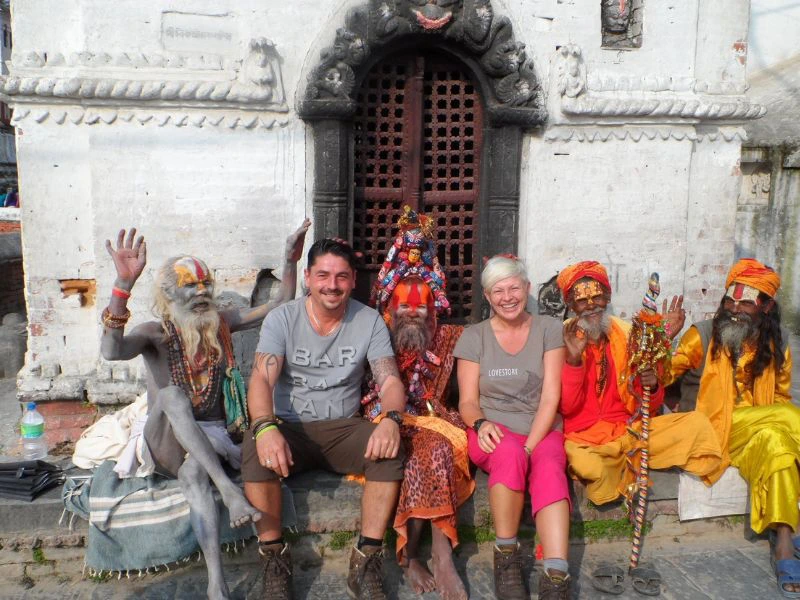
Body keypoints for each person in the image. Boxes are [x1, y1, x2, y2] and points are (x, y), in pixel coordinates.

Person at [100, 219, 310, 600]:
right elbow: (111, 351)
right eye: (188, 286)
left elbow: (281, 302)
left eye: (204, 285)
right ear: (169, 295)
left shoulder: (222, 324)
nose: (200, 293)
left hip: (210, 441)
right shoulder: (154, 333)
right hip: (164, 438)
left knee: (195, 473)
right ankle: (229, 490)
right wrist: (123, 286)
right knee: (172, 397)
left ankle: (217, 583)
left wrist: (290, 258)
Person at [241, 238, 407, 600]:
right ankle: (274, 560)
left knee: (390, 451)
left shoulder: (368, 320)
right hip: (289, 428)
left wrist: (392, 418)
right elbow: (261, 378)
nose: (332, 285)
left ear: (352, 281)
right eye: (323, 275)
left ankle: (366, 559)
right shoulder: (282, 318)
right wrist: (266, 426)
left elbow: (390, 379)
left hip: (343, 429)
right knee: (254, 451)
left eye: (342, 277)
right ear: (307, 277)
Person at [669, 258, 800, 598]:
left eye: (746, 302)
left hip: (754, 433)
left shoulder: (778, 341)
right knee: (788, 419)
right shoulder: (703, 334)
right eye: (731, 300)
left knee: (778, 442)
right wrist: (666, 335)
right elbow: (664, 374)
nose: (736, 308)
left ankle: (784, 542)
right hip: (710, 430)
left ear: (766, 306)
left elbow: (781, 396)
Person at [362, 207, 473, 600]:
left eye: (420, 305)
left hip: (436, 419)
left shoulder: (453, 337)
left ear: (434, 306)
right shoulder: (375, 335)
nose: (412, 311)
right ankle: (410, 556)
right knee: (407, 450)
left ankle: (441, 554)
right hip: (384, 416)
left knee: (439, 446)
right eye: (404, 305)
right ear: (391, 307)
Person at [557, 261, 721, 507]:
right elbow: (567, 408)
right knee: (589, 464)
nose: (591, 306)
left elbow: (648, 406)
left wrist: (653, 383)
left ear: (608, 297)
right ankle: (621, 464)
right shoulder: (559, 340)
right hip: (584, 439)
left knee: (696, 424)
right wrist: (572, 361)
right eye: (582, 301)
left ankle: (623, 460)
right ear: (570, 305)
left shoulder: (627, 334)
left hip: (629, 431)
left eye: (598, 298)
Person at [455, 255, 571, 600]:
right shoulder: (474, 337)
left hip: (542, 427)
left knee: (549, 464)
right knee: (508, 454)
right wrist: (480, 423)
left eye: (514, 288)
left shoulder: (549, 329)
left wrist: (532, 445)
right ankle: (506, 558)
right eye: (498, 291)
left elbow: (551, 398)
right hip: (491, 430)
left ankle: (555, 575)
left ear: (527, 289)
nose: (507, 297)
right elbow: (467, 401)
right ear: (488, 297)